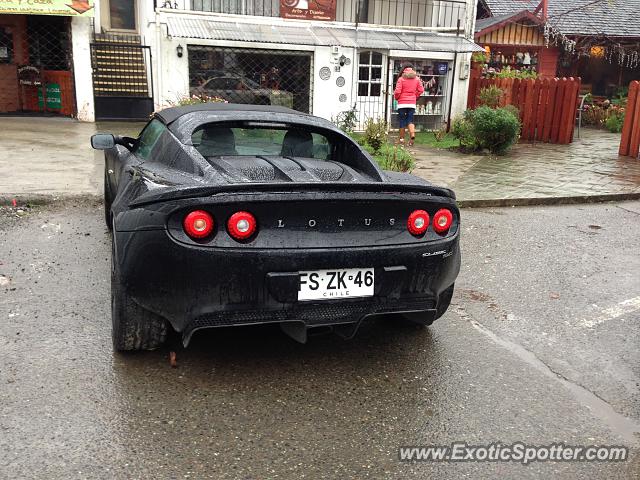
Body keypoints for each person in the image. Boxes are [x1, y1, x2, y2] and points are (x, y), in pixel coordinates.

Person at [393, 64, 424, 146]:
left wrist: (397, 98)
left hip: (402, 104)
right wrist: (415, 96)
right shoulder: (417, 79)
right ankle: (412, 136)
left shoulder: (401, 79)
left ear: (403, 70)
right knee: (410, 120)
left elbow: (397, 91)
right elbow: (421, 90)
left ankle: (402, 139)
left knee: (402, 120)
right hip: (412, 103)